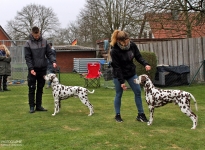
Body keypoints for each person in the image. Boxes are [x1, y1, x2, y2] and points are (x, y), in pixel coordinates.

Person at [110, 30, 151, 122]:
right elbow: (117, 67)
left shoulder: (132, 45)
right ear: (119, 41)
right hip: (118, 74)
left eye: (127, 40)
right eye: (124, 42)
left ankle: (141, 115)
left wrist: (145, 64)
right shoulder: (114, 50)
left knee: (137, 92)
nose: (126, 43)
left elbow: (138, 56)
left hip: (131, 73)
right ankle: (117, 115)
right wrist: (121, 82)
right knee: (119, 94)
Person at [24, 26, 57, 113]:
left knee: (40, 88)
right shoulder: (28, 43)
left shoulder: (44, 41)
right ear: (32, 34)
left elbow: (49, 53)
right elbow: (28, 57)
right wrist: (31, 68)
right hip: (33, 69)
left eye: (38, 35)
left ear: (39, 33)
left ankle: (39, 106)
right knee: (32, 88)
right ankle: (32, 106)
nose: (37, 37)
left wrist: (53, 61)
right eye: (35, 36)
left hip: (42, 68)